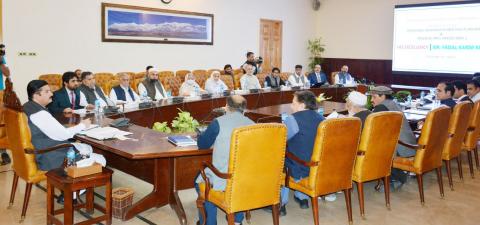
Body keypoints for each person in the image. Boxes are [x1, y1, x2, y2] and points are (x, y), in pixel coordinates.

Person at [195, 95, 254, 225]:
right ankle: (237, 220)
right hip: (245, 177)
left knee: (200, 181)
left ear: (226, 106)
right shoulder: (253, 124)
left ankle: (209, 222)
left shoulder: (218, 122)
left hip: (223, 176)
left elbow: (202, 145)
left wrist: (200, 135)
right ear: (244, 109)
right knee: (237, 180)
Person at [24, 80, 92, 171]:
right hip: (50, 157)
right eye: (47, 91)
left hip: (40, 151)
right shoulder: (39, 113)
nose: (51, 94)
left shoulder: (27, 106)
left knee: (84, 147)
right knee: (97, 155)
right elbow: (64, 135)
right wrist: (83, 125)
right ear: (36, 95)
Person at [281, 91, 325, 213]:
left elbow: (281, 140)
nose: (291, 106)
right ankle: (302, 197)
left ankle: (281, 203)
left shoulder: (292, 119)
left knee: (279, 159)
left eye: (293, 103)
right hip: (317, 166)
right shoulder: (322, 118)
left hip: (299, 168)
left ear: (302, 105)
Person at [369, 86, 416, 187]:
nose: (372, 100)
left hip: (400, 148)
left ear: (383, 97)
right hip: (409, 145)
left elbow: (370, 128)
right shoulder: (393, 104)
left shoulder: (381, 107)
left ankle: (396, 176)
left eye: (374, 97)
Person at [0, 44, 11, 165]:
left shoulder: (1, 58)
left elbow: (7, 73)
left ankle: (3, 151)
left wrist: (1, 61)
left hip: (0, 92)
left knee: (1, 122)